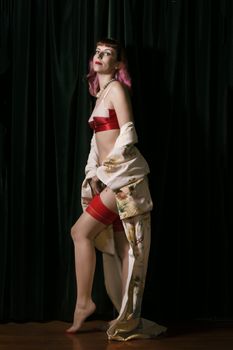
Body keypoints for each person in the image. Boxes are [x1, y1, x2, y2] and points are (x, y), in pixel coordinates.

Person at [66, 38, 166, 341]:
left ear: (118, 64)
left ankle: (84, 303)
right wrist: (93, 171)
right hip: (114, 178)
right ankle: (125, 316)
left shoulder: (118, 91)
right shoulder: (101, 94)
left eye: (107, 53)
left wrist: (108, 173)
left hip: (126, 179)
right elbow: (97, 143)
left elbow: (128, 133)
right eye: (97, 51)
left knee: (81, 232)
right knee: (121, 250)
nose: (99, 56)